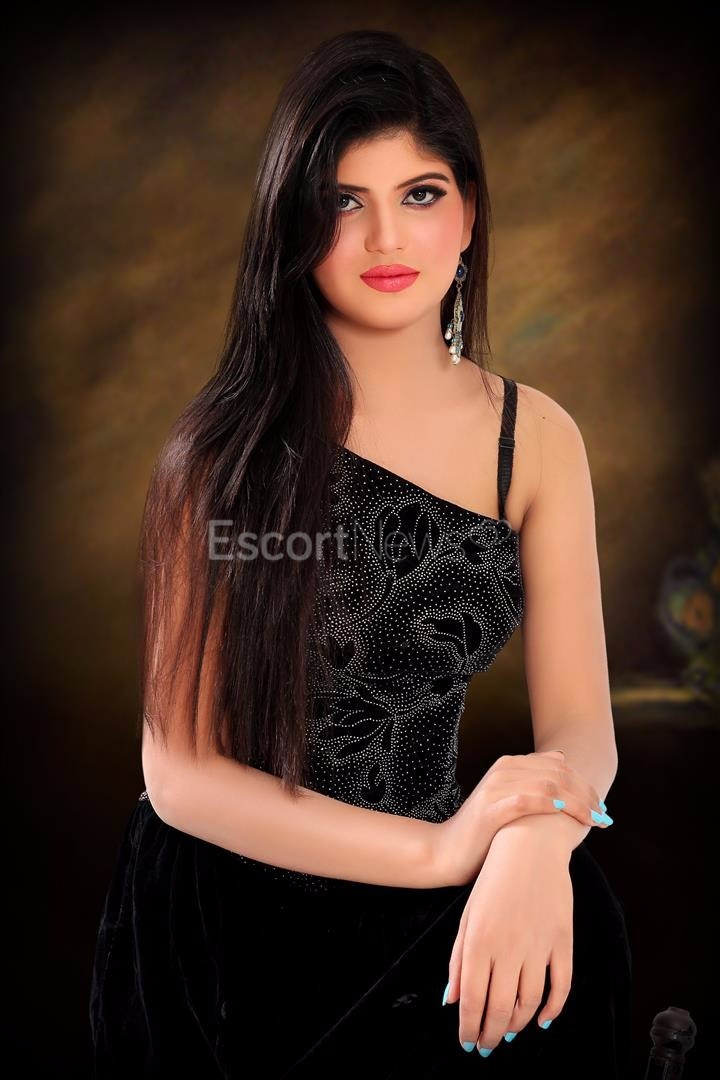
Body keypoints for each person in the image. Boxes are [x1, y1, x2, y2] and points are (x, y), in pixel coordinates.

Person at [89, 28, 632, 1079]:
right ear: (295, 225)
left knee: (584, 923)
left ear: (469, 214)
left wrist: (533, 840)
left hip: (438, 888)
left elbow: (582, 729)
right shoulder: (223, 453)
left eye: (420, 194)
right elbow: (179, 772)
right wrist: (445, 850)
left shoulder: (536, 439)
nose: (388, 235)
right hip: (227, 912)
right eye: (344, 201)